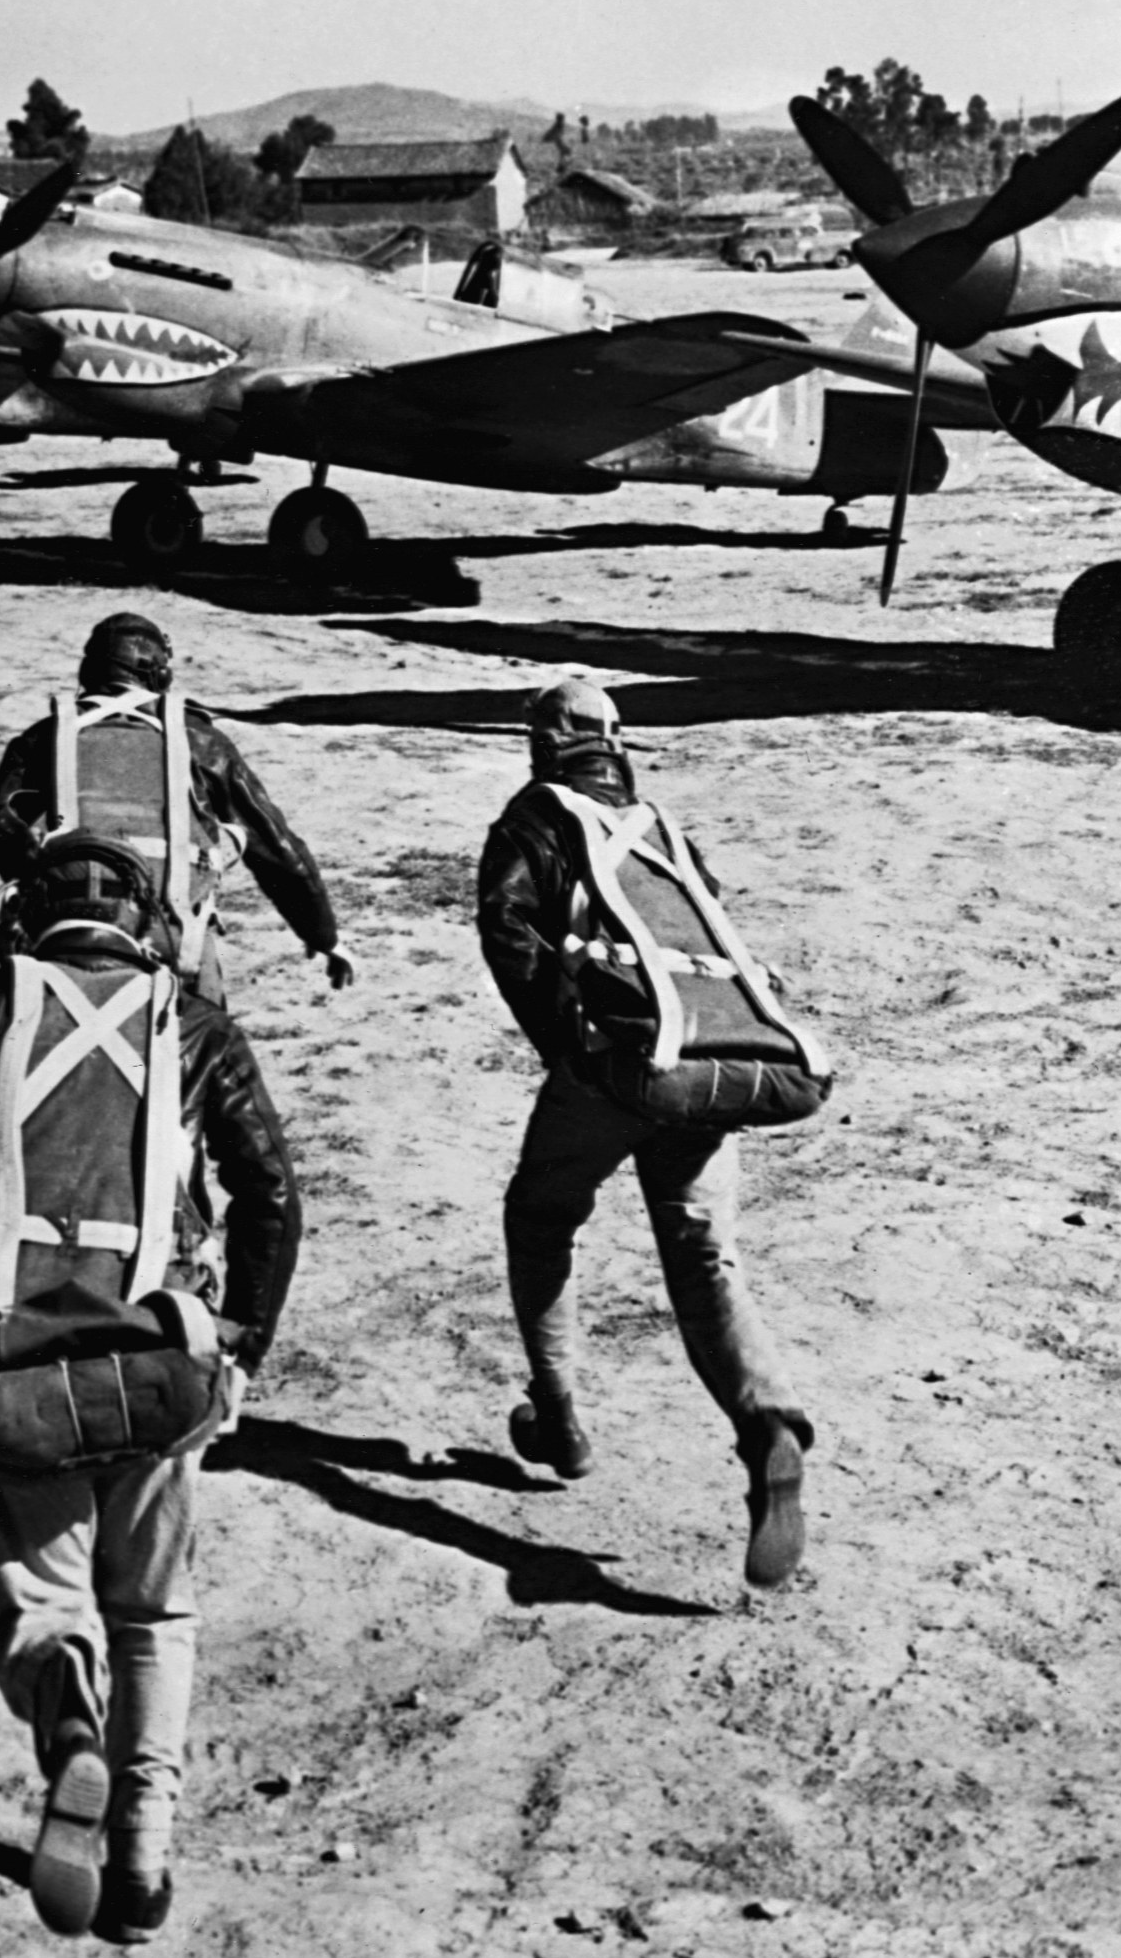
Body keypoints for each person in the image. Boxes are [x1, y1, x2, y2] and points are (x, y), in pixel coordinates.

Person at [0, 834, 303, 1942]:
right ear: (148, 926)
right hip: (161, 1357)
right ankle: (144, 1858)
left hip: (13, 1359)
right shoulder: (194, 1024)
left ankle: (66, 1725)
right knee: (154, 1610)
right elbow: (271, 1194)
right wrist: (242, 1346)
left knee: (42, 1609)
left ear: (20, 917)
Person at [475, 679, 816, 1589]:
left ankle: (558, 1415)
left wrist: (573, 1049)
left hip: (616, 1066)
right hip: (703, 1067)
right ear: (617, 743)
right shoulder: (662, 832)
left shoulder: (534, 819)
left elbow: (507, 929)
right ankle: (767, 1425)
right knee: (705, 1255)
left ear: (543, 744)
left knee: (542, 1218)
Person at [0, 612, 352, 1007]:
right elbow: (278, 851)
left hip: (64, 936)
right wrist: (323, 935)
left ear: (89, 671)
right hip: (174, 940)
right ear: (159, 675)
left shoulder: (42, 740)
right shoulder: (201, 741)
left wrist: (61, 881)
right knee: (210, 1054)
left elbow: (3, 835)